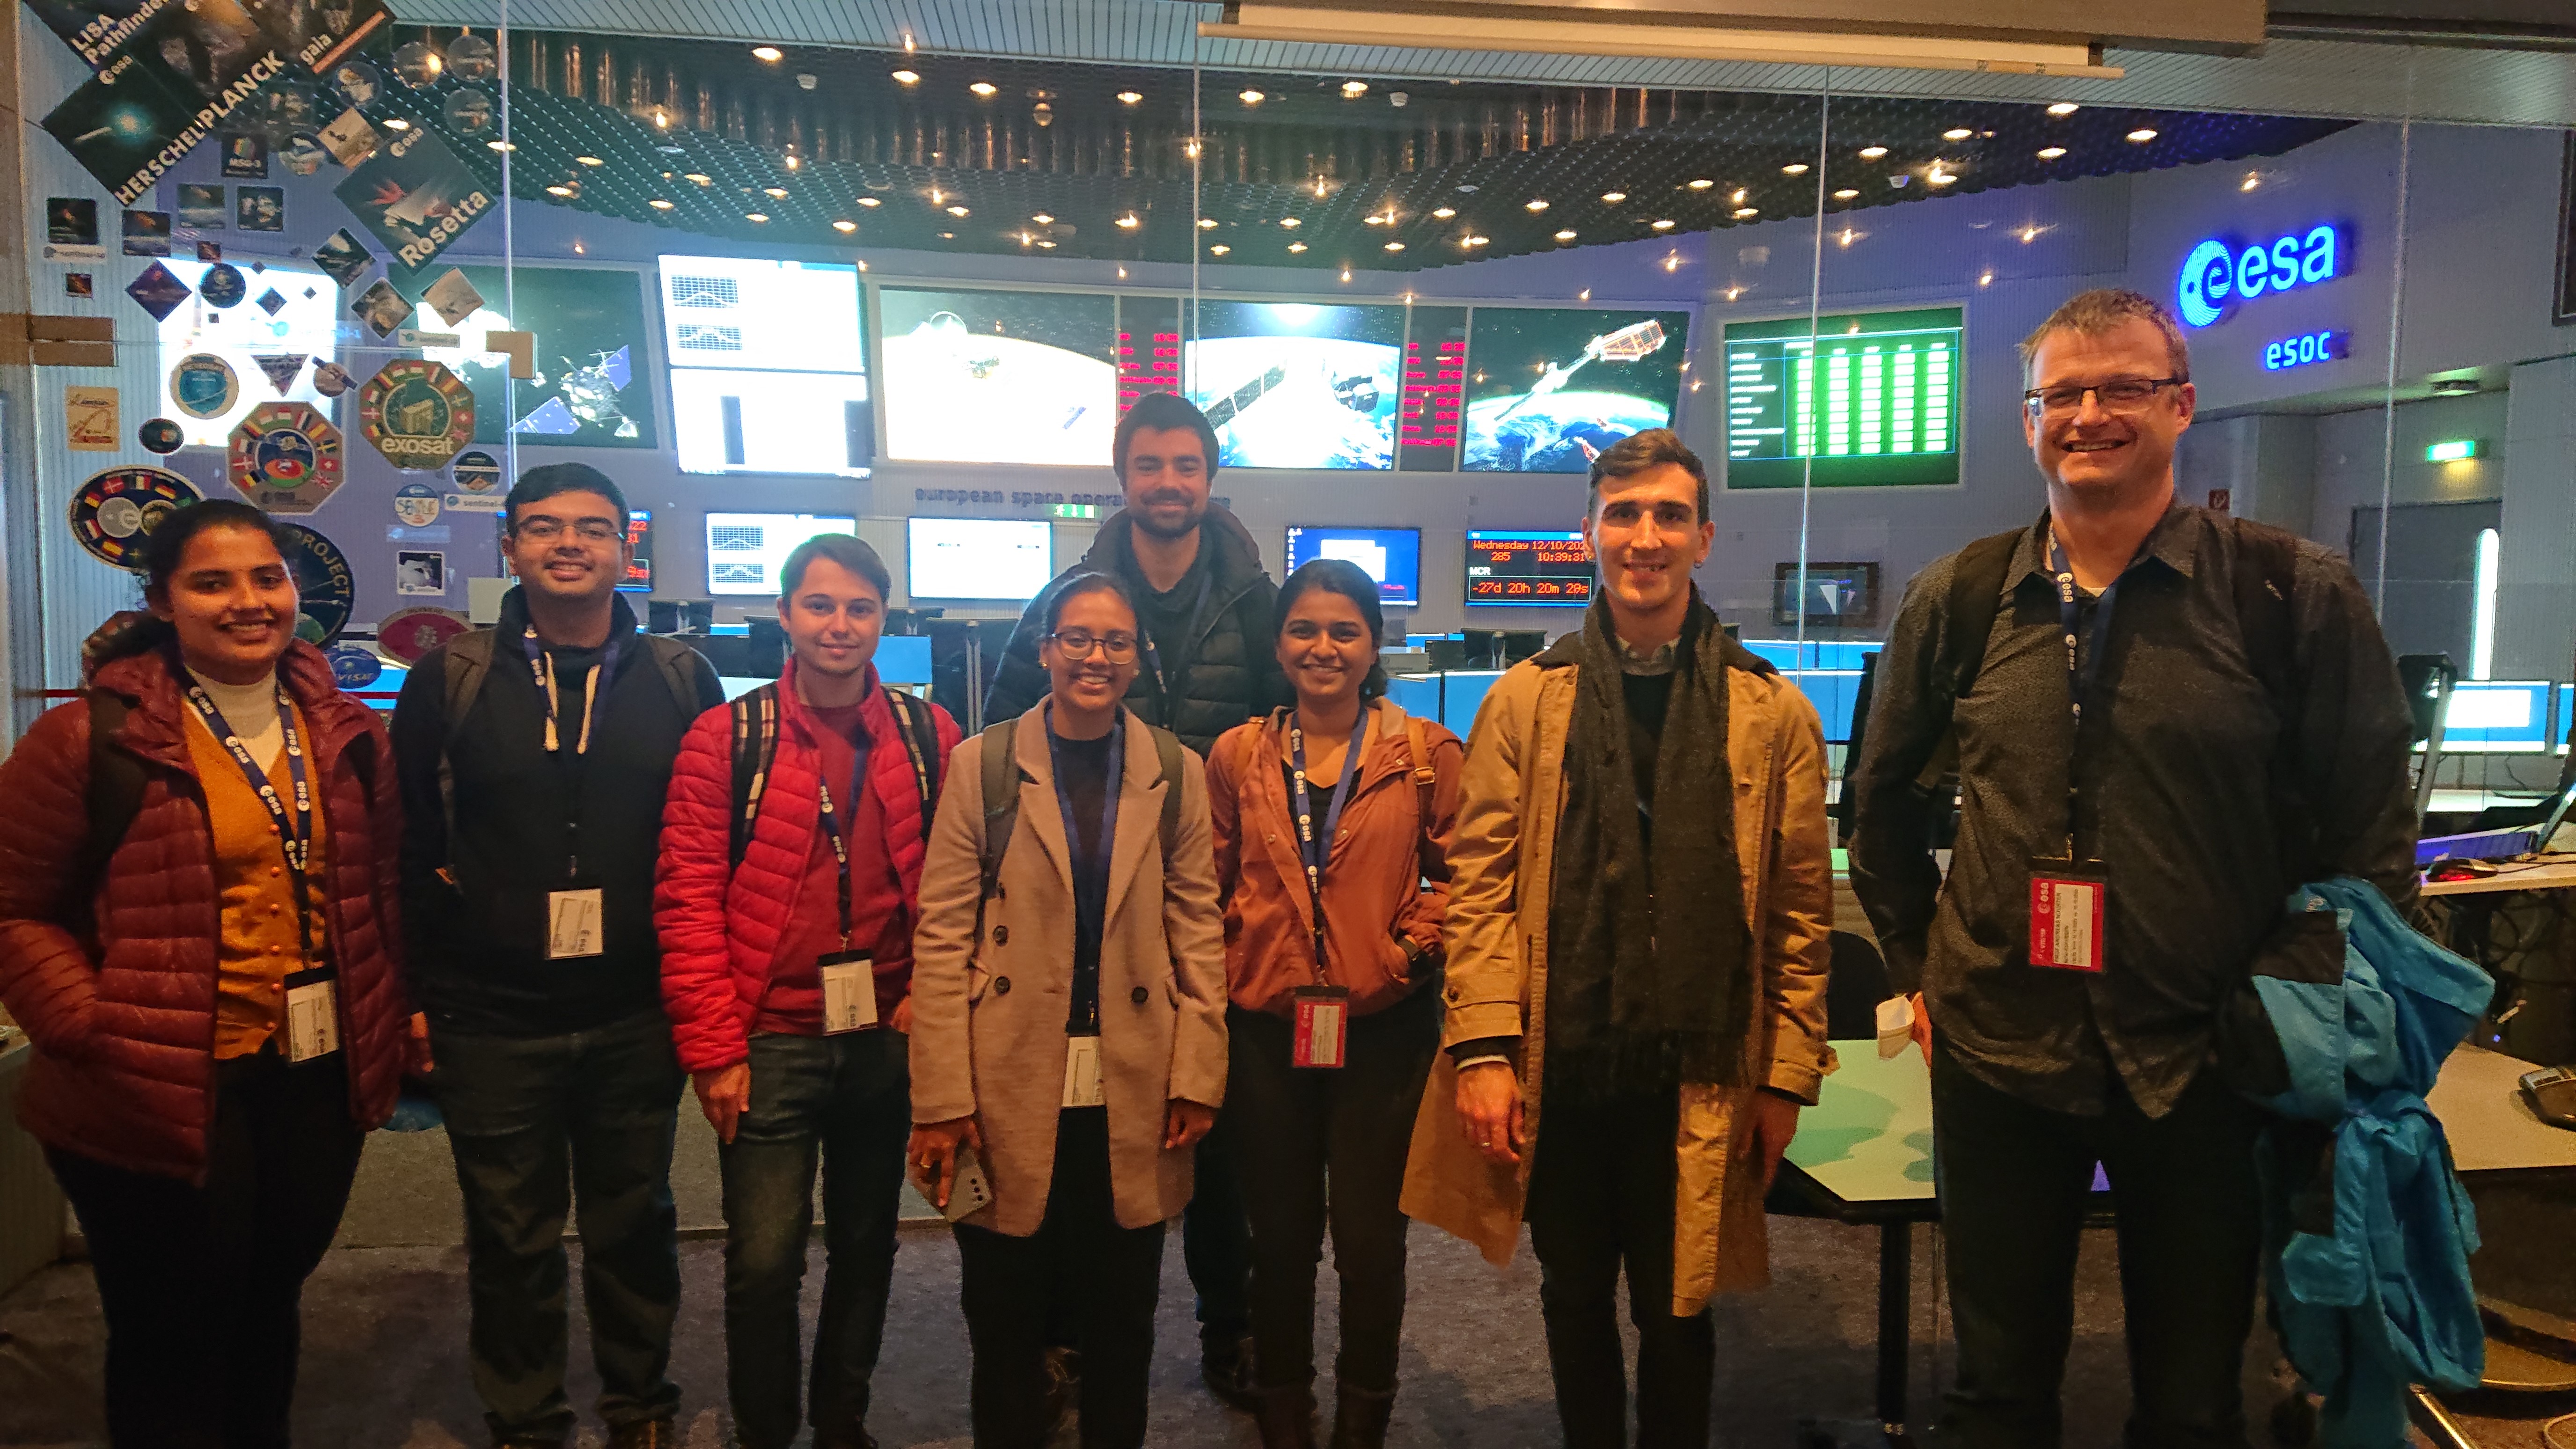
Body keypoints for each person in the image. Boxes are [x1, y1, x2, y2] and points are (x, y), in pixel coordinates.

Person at [1845, 288, 2417, 1449]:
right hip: (2000, 1050)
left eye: (2123, 389)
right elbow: (1880, 811)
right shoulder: (1959, 600)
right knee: (1992, 1394)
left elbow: (2370, 842)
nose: (2091, 413)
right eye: (2064, 392)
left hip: (2205, 1058)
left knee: (2193, 1399)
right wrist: (1921, 971)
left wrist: (2282, 1006)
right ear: (2027, 419)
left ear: (2181, 407)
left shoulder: (2287, 594)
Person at [1400, 429, 1834, 1449]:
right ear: (1588, 533)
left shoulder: (1770, 712)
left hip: (1699, 1060)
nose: (1646, 537)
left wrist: (1783, 1076)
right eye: (1625, 515)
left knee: (1680, 1300)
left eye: (1669, 516)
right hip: (1566, 1058)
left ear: (1704, 537)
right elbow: (1482, 893)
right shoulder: (1524, 701)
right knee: (1573, 1293)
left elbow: (1798, 916)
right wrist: (1485, 1051)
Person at [0, 500, 419, 1448]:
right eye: (212, 582)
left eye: (266, 578)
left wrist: (396, 1019)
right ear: (162, 601)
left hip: (311, 1075)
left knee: (270, 1304)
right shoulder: (90, 738)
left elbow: (380, 888)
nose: (247, 602)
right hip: (152, 1076)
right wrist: (89, 1024)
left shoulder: (348, 732)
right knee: (171, 1329)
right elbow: (14, 907)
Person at [391, 463, 725, 1449]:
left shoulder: (680, 676)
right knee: (509, 1233)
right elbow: (407, 845)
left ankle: (640, 1403)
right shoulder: (449, 677)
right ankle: (526, 1413)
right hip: (490, 1011)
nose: (567, 544)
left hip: (635, 1007)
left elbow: (710, 845)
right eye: (543, 528)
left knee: (636, 1221)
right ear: (511, 548)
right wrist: (415, 995)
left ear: (628, 548)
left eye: (590, 527)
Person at [983, 390, 1285, 1407]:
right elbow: (1002, 750)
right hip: (1079, 904)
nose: (1167, 483)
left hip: (1214, 907)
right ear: (1123, 477)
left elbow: (1289, 749)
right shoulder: (1066, 598)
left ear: (1209, 479)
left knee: (1214, 1129)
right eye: (1148, 465)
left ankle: (1227, 1328)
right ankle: (1067, 1331)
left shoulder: (1258, 598)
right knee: (1079, 1128)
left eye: (1185, 466)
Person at [910, 572, 1229, 1449]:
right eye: (1078, 638)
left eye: (1116, 642)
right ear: (1046, 648)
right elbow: (940, 937)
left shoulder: (1175, 769)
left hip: (1135, 1074)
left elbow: (1199, 929)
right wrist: (940, 1096)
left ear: (1139, 657)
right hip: (1007, 1072)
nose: (1096, 656)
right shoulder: (982, 764)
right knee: (1005, 1318)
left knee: (1124, 1317)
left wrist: (1200, 1071)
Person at [655, 535, 962, 1449]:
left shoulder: (926, 734)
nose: (839, 625)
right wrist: (712, 1052)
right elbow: (686, 901)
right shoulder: (727, 736)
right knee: (762, 1261)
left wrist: (929, 1003)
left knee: (868, 1245)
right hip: (768, 1041)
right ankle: (765, 1431)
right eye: (820, 606)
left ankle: (842, 1423)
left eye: (859, 608)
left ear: (883, 620)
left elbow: (956, 889)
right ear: (784, 614)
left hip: (887, 1034)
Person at [1206, 560, 1464, 1449]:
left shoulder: (1427, 754)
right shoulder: (1238, 755)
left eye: (1344, 631)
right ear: (1279, 646)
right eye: (1305, 630)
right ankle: (1284, 1407)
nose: (1324, 648)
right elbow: (1207, 883)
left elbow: (1462, 877)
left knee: (1369, 1244)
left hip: (1384, 1028)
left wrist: (1407, 948)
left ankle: (1363, 1419)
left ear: (1373, 645)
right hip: (1268, 1030)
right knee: (1276, 1240)